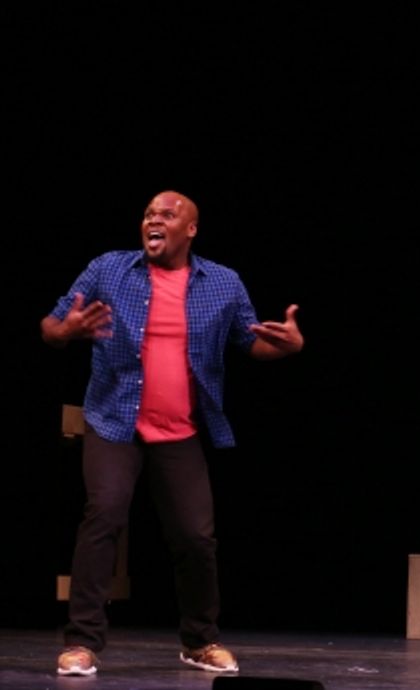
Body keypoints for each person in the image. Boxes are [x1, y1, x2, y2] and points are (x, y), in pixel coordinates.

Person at [43, 191, 304, 676]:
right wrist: (68, 330)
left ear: (191, 229)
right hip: (114, 421)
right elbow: (52, 325)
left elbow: (251, 344)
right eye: (147, 214)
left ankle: (200, 641)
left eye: (166, 214)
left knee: (195, 537)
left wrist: (285, 348)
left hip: (179, 429)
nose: (153, 220)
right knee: (103, 516)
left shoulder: (223, 283)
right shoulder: (109, 269)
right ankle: (81, 642)